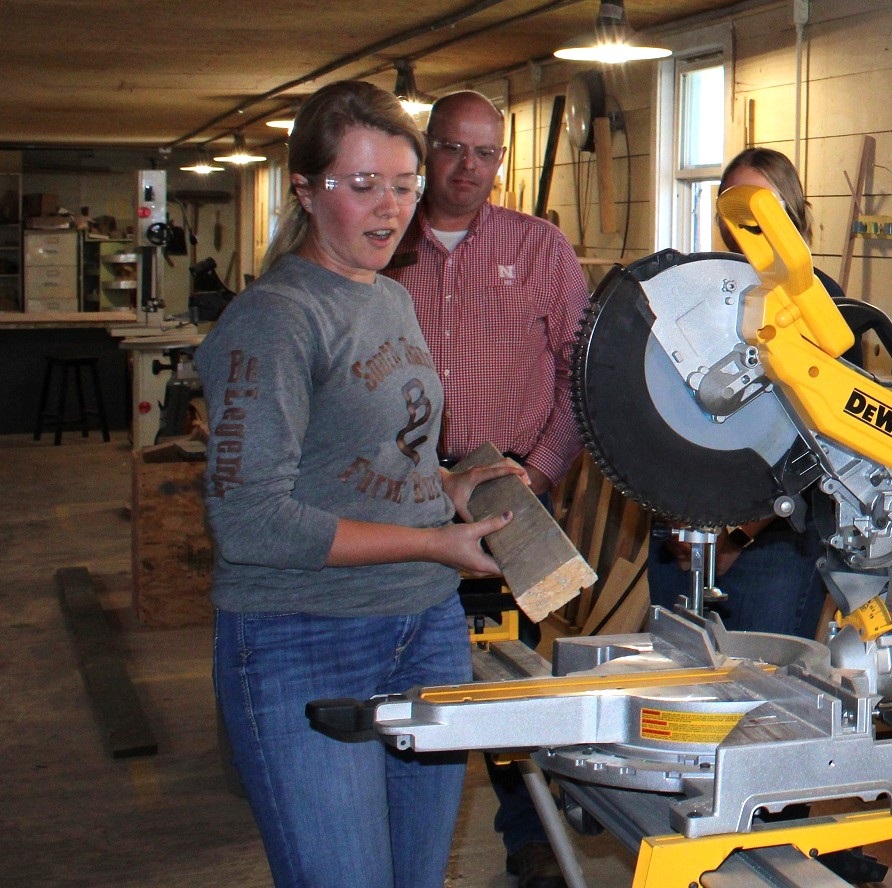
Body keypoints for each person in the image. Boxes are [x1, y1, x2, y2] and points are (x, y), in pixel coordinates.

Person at [195, 80, 526, 888]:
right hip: (306, 637)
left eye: (404, 186)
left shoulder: (387, 296)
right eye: (363, 185)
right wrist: (434, 542)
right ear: (306, 190)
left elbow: (381, 458)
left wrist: (451, 484)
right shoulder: (276, 319)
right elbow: (251, 521)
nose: (390, 208)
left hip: (425, 628)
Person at [383, 91, 590, 888]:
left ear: (502, 160)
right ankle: (395, 832)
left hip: (515, 498)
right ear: (425, 148)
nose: (468, 169)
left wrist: (537, 472)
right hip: (398, 496)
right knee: (404, 666)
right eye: (452, 149)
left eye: (486, 154)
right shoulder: (384, 243)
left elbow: (579, 370)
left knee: (513, 675)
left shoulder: (540, 247)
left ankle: (530, 837)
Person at [647, 147, 841, 641]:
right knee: (676, 697)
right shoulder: (693, 293)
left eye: (764, 208)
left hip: (774, 540)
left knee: (762, 699)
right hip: (682, 528)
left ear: (792, 216)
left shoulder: (825, 306)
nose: (747, 222)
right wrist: (681, 524)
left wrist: (733, 537)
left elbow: (818, 442)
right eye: (735, 207)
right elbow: (654, 411)